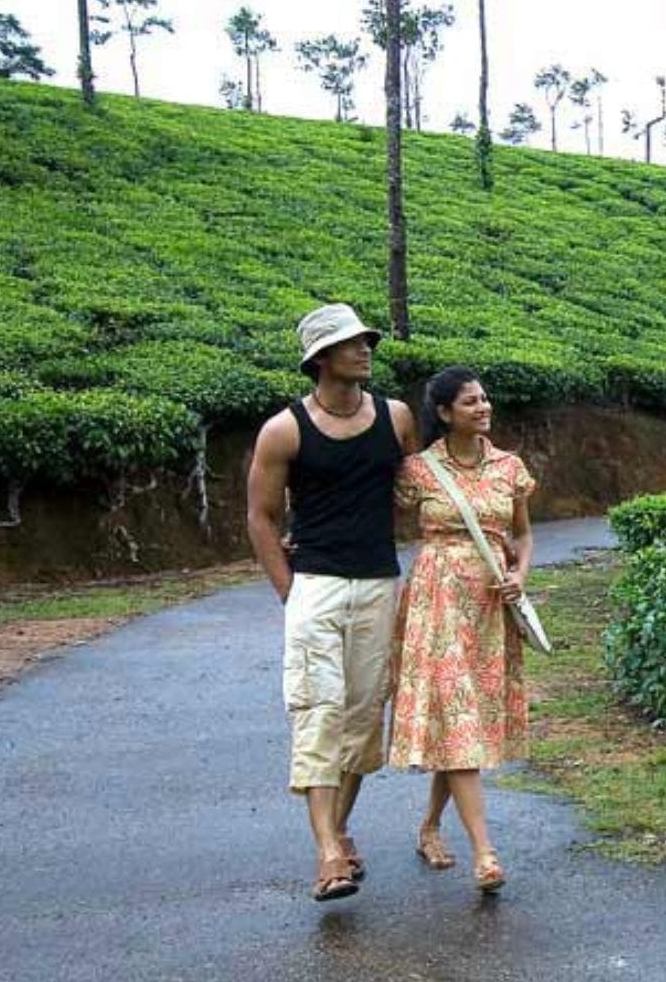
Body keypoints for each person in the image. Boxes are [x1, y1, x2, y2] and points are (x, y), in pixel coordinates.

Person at [246, 303, 417, 902]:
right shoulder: (285, 429)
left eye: (365, 340)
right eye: (350, 343)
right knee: (319, 712)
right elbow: (262, 519)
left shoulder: (396, 419)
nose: (365, 349)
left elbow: (413, 491)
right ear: (320, 358)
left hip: (377, 583)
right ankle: (326, 855)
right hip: (315, 586)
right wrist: (290, 591)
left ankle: (339, 831)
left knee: (365, 720)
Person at [390, 366, 537, 893]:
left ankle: (430, 826)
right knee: (458, 720)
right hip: (438, 602)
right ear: (445, 412)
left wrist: (518, 575)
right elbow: (369, 514)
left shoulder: (509, 467)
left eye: (485, 399)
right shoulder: (418, 471)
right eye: (471, 402)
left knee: (462, 728)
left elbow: (521, 535)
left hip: (491, 606)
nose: (483, 407)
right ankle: (485, 852)